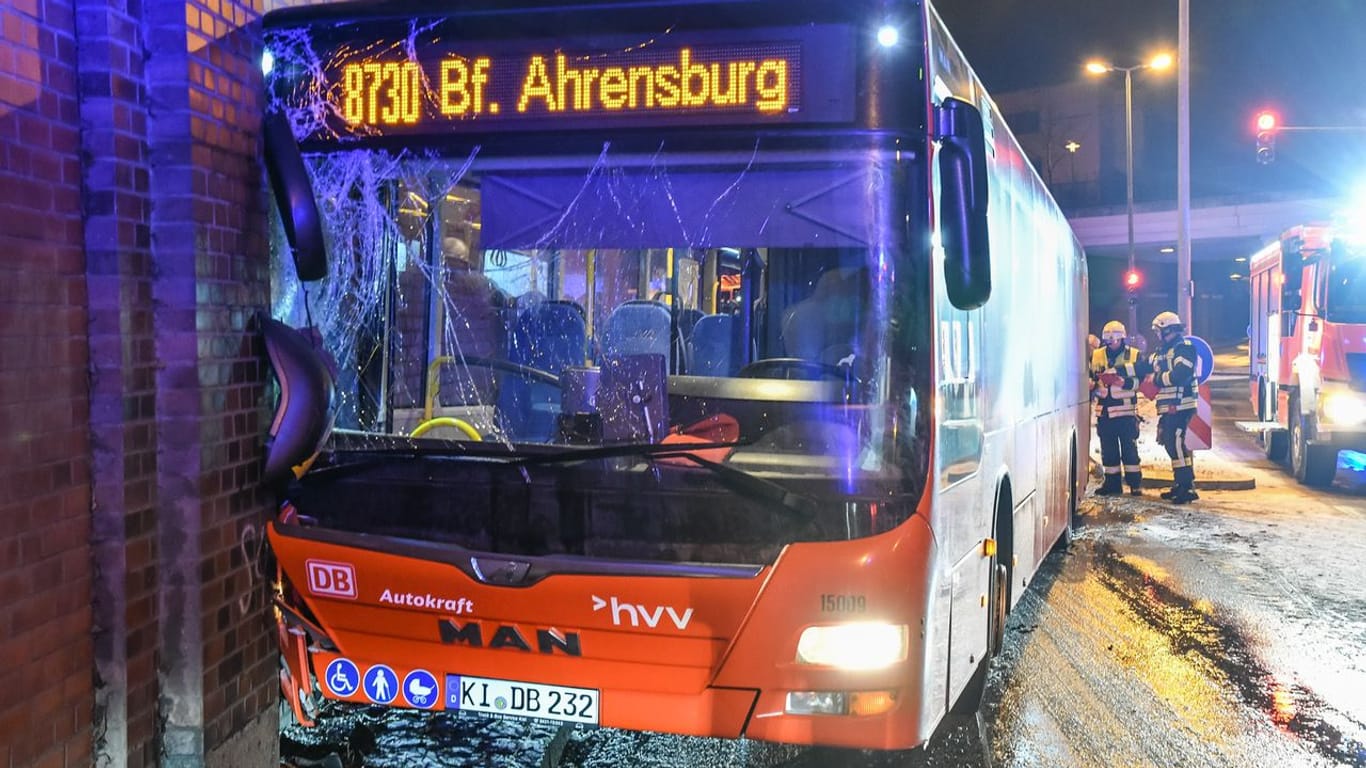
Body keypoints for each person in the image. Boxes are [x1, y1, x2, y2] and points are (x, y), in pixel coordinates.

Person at [1090, 320, 1147, 496]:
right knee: (1109, 451)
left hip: (1125, 412)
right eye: (1107, 340)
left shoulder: (1135, 355)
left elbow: (1142, 381)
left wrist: (1125, 382)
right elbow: (1092, 376)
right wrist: (1093, 385)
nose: (1110, 344)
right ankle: (1113, 484)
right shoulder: (1097, 354)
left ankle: (1135, 484)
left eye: (1113, 340)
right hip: (1105, 412)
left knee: (1130, 451)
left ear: (1121, 339)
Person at [1148, 311, 1200, 503]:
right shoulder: (1163, 351)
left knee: (1176, 443)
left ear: (1167, 329)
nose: (1157, 335)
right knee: (1172, 443)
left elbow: (1182, 374)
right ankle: (1181, 484)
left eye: (1158, 331)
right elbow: (1144, 366)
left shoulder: (1183, 347)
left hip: (1181, 405)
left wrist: (1157, 379)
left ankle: (1186, 487)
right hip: (1170, 406)